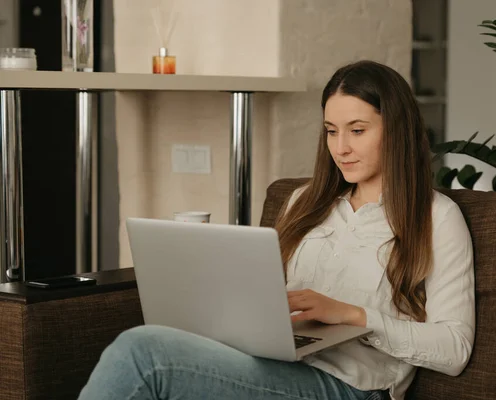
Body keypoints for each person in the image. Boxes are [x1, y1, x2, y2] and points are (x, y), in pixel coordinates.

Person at [78, 60, 475, 400]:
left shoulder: (437, 217)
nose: (341, 148)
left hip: (351, 386)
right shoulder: (305, 201)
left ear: (397, 130)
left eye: (357, 130)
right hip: (276, 364)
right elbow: (269, 300)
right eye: (331, 130)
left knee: (143, 353)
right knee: (151, 342)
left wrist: (355, 316)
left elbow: (455, 349)